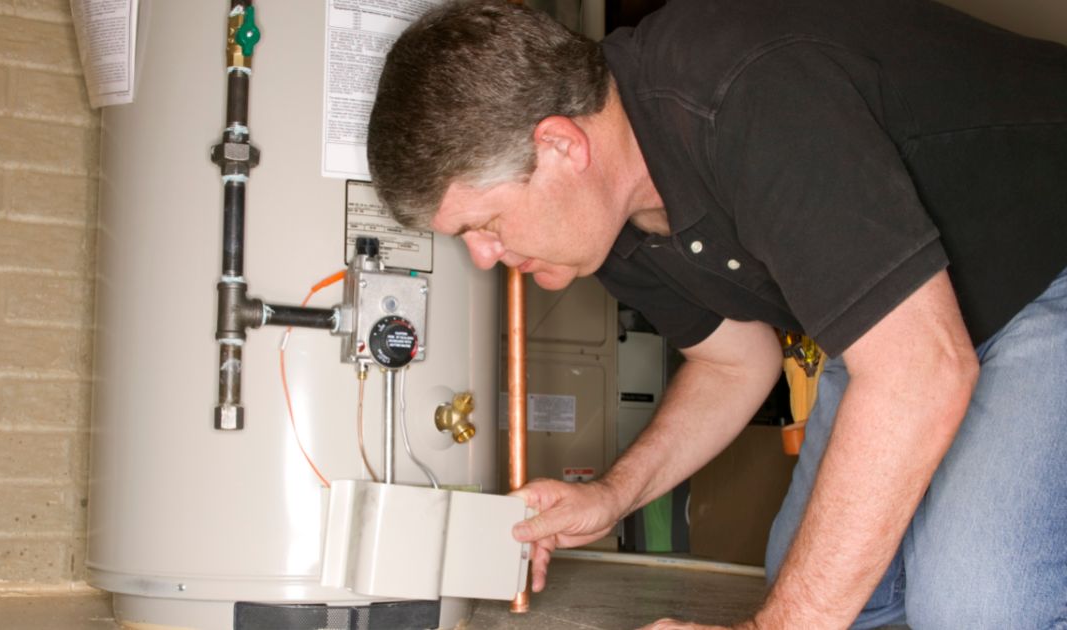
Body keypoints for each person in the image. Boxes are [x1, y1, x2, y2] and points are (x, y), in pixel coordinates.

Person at [367, 0, 1067, 627]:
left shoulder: (746, 94)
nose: (484, 258)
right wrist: (612, 496)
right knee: (820, 578)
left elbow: (920, 373)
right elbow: (735, 360)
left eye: (483, 224)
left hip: (1045, 262)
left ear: (559, 146)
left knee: (979, 604)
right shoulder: (612, 224)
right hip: (910, 329)